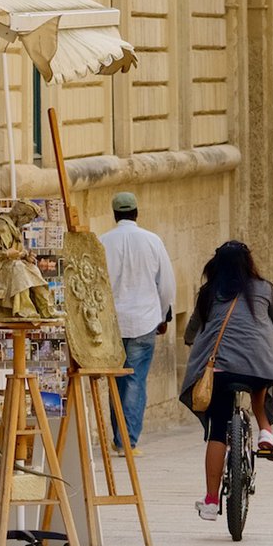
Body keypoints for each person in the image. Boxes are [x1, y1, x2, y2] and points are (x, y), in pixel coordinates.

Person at [180, 240, 273, 520]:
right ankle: (266, 432)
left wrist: (192, 340)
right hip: (258, 364)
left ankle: (210, 501)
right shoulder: (264, 289)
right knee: (259, 382)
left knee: (217, 431)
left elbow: (190, 333)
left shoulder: (208, 293)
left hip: (219, 368)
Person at [99, 190, 176, 451]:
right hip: (144, 320)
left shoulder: (103, 242)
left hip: (113, 324)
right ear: (136, 213)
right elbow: (165, 284)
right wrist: (164, 314)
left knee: (117, 380)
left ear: (115, 214)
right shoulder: (152, 241)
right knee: (135, 380)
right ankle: (126, 440)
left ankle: (120, 436)